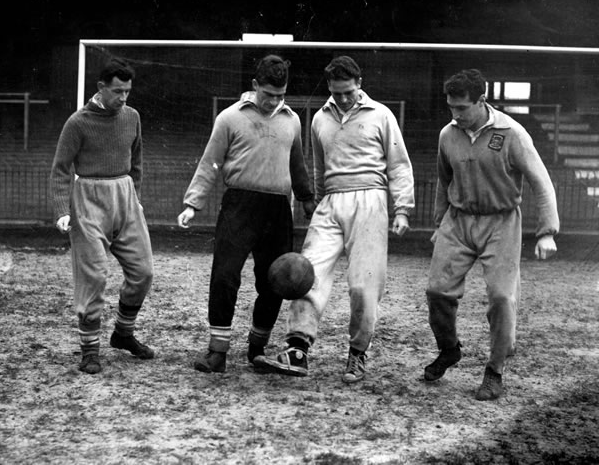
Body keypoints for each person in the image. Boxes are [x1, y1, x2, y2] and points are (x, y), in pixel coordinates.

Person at [255, 55, 415, 383]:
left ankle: (357, 353)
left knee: (363, 284)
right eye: (337, 92)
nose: (343, 98)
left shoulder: (381, 115)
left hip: (369, 200)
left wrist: (402, 209)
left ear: (359, 85)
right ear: (329, 86)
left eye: (349, 92)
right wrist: (313, 200)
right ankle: (297, 349)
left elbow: (399, 164)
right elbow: (318, 163)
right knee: (305, 272)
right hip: (331, 200)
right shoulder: (320, 120)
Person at [423, 69, 559, 400]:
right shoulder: (448, 135)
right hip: (458, 221)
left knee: (501, 297)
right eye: (451, 107)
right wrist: (439, 222)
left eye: (461, 108)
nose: (455, 115)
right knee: (437, 291)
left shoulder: (512, 133)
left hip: (500, 222)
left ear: (481, 101)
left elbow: (541, 181)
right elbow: (444, 180)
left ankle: (494, 370)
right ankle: (449, 349)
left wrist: (547, 232)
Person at [177, 54, 315, 373]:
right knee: (225, 275)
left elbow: (298, 164)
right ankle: (217, 351)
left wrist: (307, 199)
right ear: (254, 86)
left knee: (275, 281)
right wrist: (192, 203)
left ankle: (258, 347)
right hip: (240, 206)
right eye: (268, 95)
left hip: (277, 210)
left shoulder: (292, 120)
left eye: (280, 95)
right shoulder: (229, 117)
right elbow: (210, 162)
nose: (273, 102)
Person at [50, 57, 155, 375]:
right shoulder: (78, 122)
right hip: (89, 201)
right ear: (101, 88)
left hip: (124, 199)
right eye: (118, 91)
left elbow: (136, 160)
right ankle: (90, 350)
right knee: (94, 276)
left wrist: (134, 197)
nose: (123, 98)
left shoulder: (132, 117)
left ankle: (123, 334)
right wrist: (62, 210)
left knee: (143, 272)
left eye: (128, 91)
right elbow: (60, 169)